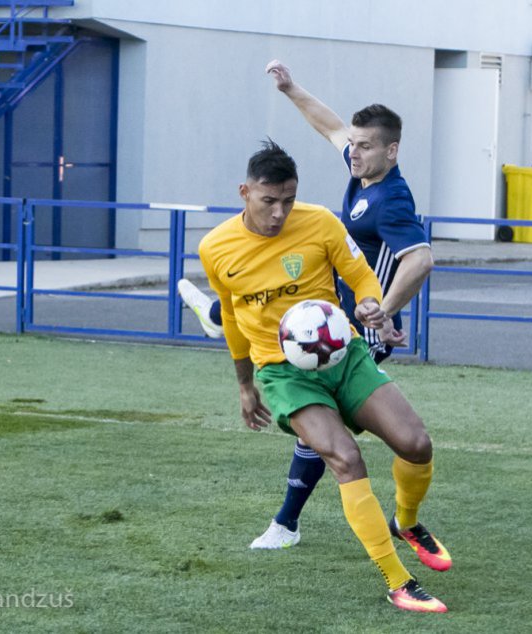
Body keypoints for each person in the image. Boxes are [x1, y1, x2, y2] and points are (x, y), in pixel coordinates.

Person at [179, 59, 433, 550]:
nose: (350, 151)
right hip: (318, 320)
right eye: (353, 146)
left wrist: (385, 312)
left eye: (362, 146)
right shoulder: (363, 174)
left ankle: (288, 522)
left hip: (355, 326)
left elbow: (420, 259)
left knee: (326, 434)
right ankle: (287, 522)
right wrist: (291, 89)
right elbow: (331, 125)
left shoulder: (391, 200)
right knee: (317, 427)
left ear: (391, 151)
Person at [198, 140, 449, 612]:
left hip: (345, 354)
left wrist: (373, 302)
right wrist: (244, 383)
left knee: (416, 443)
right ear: (244, 193)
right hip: (283, 373)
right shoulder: (215, 247)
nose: (279, 212)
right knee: (345, 458)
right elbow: (232, 317)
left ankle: (408, 521)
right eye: (268, 201)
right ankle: (398, 580)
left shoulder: (320, 223)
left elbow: (360, 274)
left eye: (288, 200)